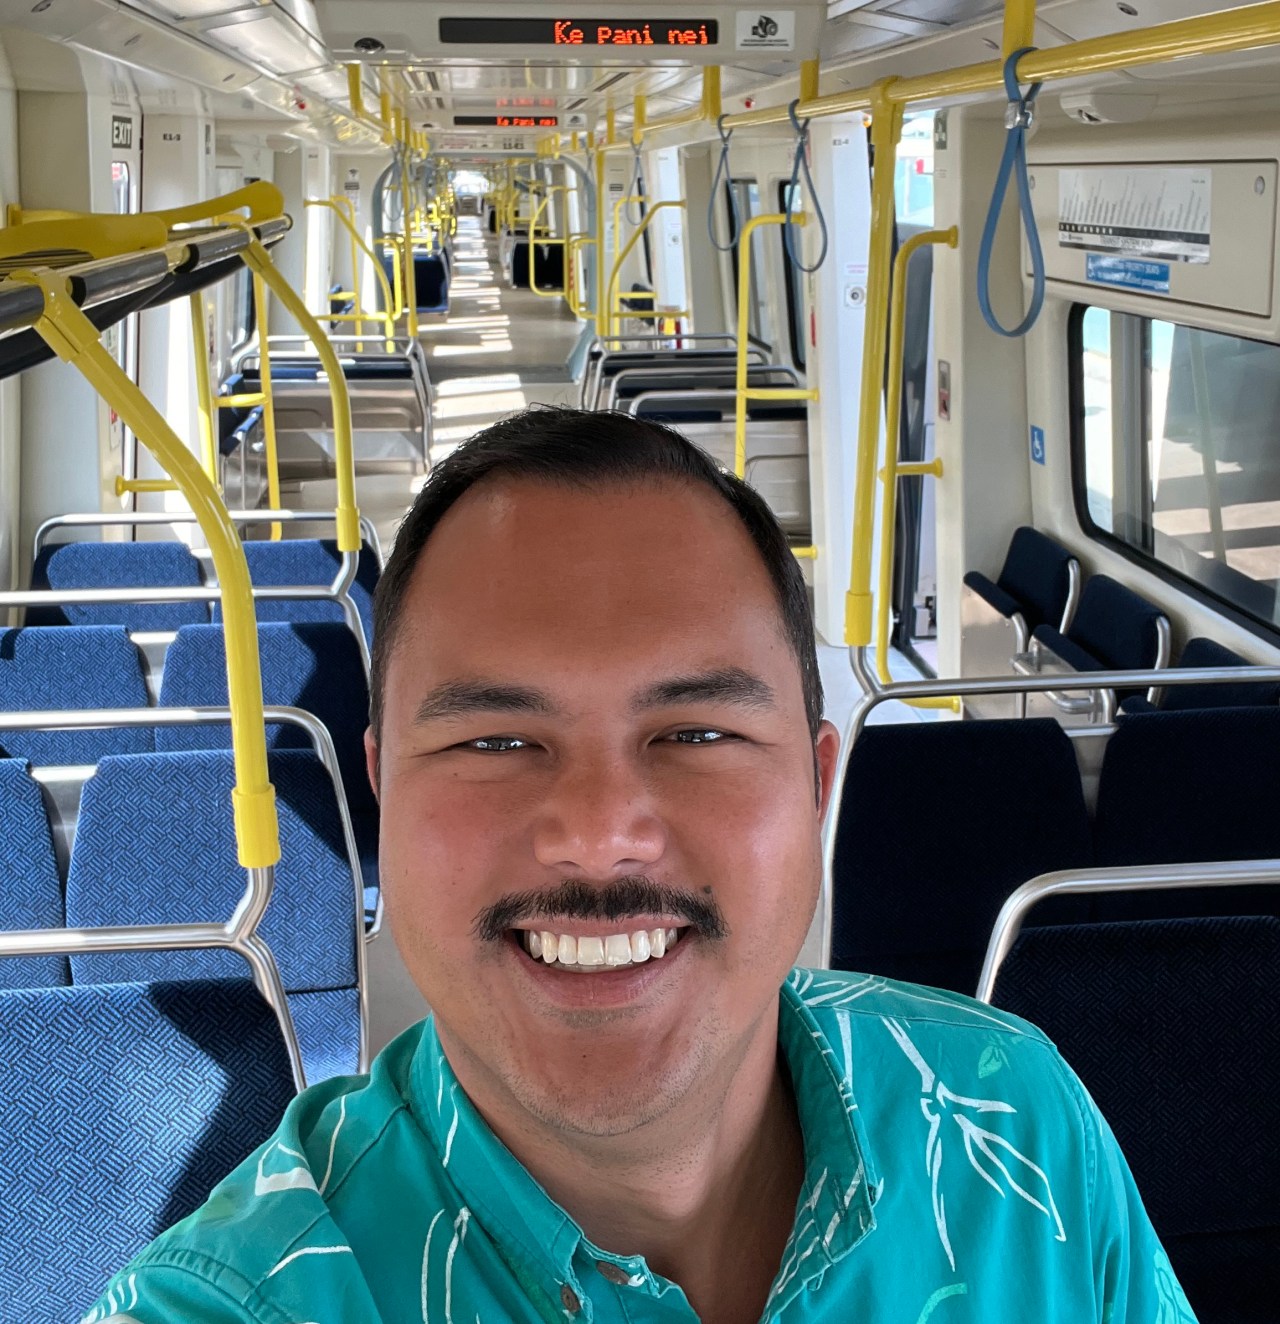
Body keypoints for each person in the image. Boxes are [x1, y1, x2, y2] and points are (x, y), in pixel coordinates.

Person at [84, 408, 1194, 1324]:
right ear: (383, 793)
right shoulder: (230, 1304)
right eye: (493, 740)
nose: (601, 832)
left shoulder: (1015, 1118)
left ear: (815, 786)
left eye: (697, 733)